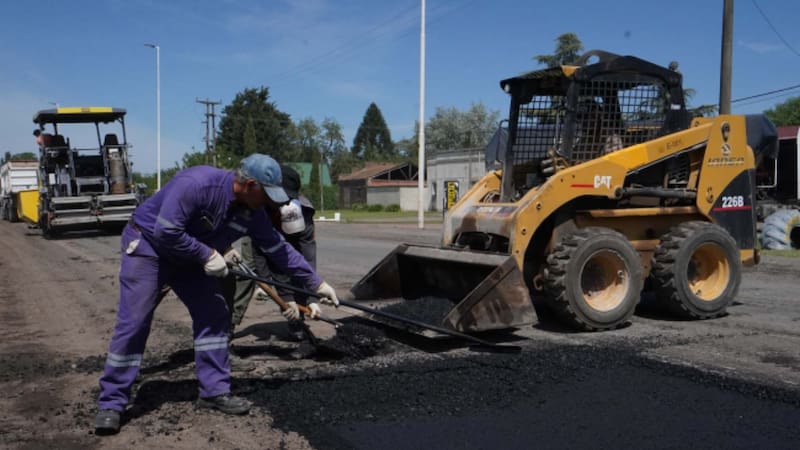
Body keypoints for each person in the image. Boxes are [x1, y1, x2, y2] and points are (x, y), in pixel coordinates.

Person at [93, 154, 339, 435]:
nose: (269, 202)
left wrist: (316, 284)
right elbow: (166, 231)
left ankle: (214, 391)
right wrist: (207, 254)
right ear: (249, 185)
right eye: (266, 195)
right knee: (135, 321)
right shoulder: (196, 184)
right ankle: (112, 402)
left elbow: (278, 249)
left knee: (214, 313)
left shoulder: (252, 211)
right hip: (150, 248)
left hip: (189, 257)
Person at [227, 164, 317, 342]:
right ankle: (229, 323)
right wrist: (267, 284)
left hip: (287, 236)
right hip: (258, 233)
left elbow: (307, 258)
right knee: (246, 273)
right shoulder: (259, 206)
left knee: (298, 268)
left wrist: (313, 297)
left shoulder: (304, 214)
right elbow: (262, 255)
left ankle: (296, 321)